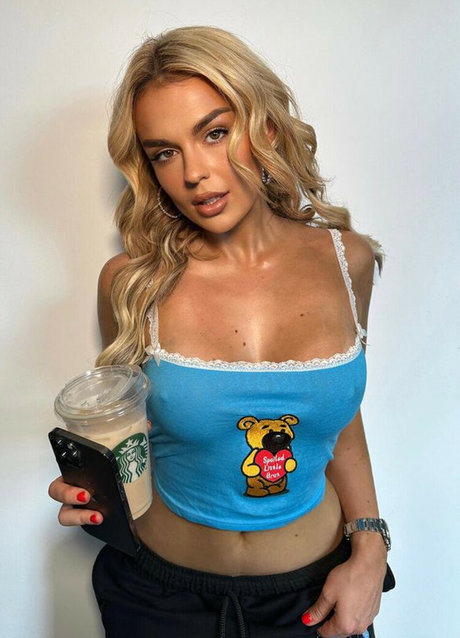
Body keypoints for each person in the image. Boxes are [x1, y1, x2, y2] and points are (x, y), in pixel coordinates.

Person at [48, 25, 395, 638]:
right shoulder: (132, 283)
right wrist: (98, 491)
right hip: (159, 599)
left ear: (265, 127)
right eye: (164, 152)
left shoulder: (349, 262)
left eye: (214, 133)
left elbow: (336, 411)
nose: (195, 173)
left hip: (313, 597)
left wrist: (370, 545)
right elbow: (128, 429)